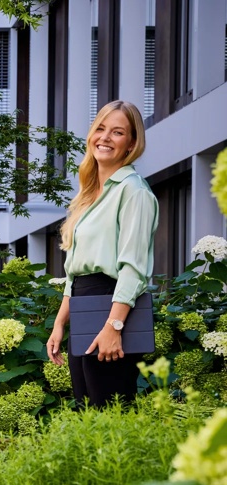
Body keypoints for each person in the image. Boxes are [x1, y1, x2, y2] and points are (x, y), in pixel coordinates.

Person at [46, 100, 158, 408]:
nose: (105, 138)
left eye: (117, 132)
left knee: (110, 412)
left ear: (131, 143)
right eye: (101, 129)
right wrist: (60, 324)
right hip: (84, 306)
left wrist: (114, 327)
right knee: (87, 411)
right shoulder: (89, 194)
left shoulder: (134, 191)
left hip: (111, 306)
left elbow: (133, 269)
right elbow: (75, 272)